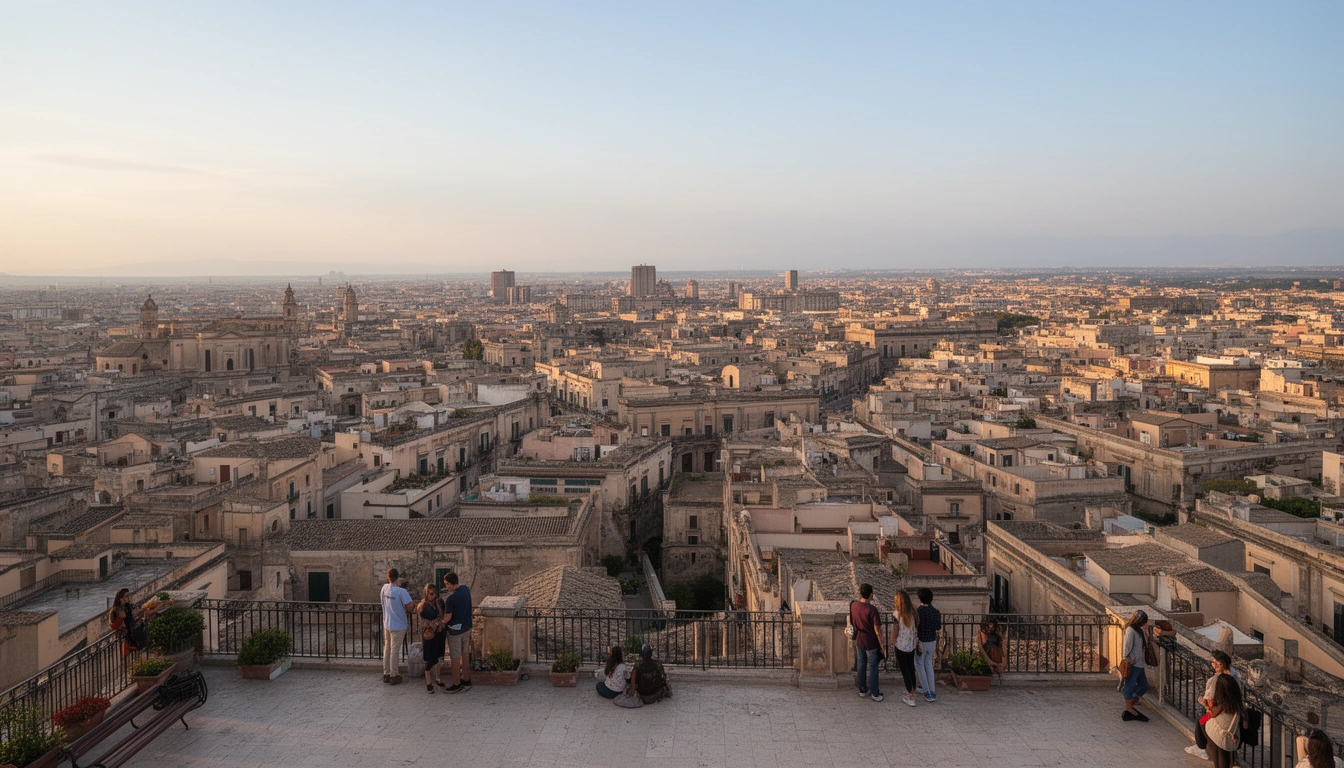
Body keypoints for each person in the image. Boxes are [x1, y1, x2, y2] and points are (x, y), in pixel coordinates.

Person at [1186, 650, 1239, 760]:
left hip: (1219, 710)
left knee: (1201, 721)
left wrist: (1205, 703)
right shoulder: (1235, 676)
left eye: (1215, 662)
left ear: (1222, 663)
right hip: (1232, 710)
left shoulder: (1219, 679)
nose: (1213, 665)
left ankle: (1201, 747)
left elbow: (1212, 700)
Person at [849, 583, 884, 702]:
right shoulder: (872, 609)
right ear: (871, 595)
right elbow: (877, 630)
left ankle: (862, 689)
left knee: (861, 665)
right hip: (871, 641)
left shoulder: (854, 605)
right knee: (873, 667)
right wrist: (882, 646)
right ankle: (875, 692)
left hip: (859, 639)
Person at [380, 568, 413, 685]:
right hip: (398, 625)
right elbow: (410, 606)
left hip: (387, 623)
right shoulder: (401, 591)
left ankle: (386, 673)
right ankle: (394, 675)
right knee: (394, 650)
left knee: (387, 648)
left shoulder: (384, 588)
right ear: (397, 577)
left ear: (388, 577)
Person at [442, 571, 473, 692]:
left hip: (455, 632)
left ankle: (456, 683)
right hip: (467, 628)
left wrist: (440, 622)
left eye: (447, 584)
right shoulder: (465, 589)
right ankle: (466, 679)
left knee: (455, 657)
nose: (446, 587)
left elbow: (448, 617)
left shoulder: (451, 599)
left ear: (450, 583)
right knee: (465, 655)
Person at [1204, 673, 1243, 768]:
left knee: (1201, 721)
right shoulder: (1236, 702)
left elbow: (1212, 714)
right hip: (1231, 731)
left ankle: (1199, 744)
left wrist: (1206, 705)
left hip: (1218, 731)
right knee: (1224, 757)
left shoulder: (1222, 702)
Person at [1119, 609, 1152, 721]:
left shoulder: (1140, 630)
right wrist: (1128, 660)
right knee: (1129, 685)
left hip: (1140, 663)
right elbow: (1126, 649)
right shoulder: (1131, 631)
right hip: (1133, 664)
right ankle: (1129, 707)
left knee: (1144, 686)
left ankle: (1132, 699)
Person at [889, 590, 919, 707]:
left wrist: (892, 642)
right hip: (911, 645)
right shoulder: (913, 613)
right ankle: (912, 689)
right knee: (911, 667)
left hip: (901, 645)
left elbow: (896, 630)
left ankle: (910, 695)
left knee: (904, 669)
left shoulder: (897, 614)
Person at [416, 584, 447, 693]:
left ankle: (438, 678)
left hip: (439, 634)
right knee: (429, 658)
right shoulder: (422, 606)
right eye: (430, 593)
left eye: (434, 593)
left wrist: (439, 624)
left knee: (437, 656)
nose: (432, 596)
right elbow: (423, 622)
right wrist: (436, 624)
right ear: (426, 593)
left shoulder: (438, 603)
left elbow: (442, 617)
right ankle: (428, 682)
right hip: (429, 634)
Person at [914, 587, 941, 702]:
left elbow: (915, 627)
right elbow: (938, 627)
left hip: (921, 642)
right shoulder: (936, 612)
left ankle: (927, 692)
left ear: (920, 598)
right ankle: (932, 690)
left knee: (920, 665)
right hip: (932, 641)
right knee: (929, 665)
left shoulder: (918, 612)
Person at [108, 588, 146, 657]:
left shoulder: (129, 606)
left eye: (129, 595)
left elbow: (136, 616)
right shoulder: (115, 610)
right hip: (126, 637)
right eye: (127, 596)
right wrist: (121, 618)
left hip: (134, 633)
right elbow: (114, 626)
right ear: (121, 599)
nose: (129, 597)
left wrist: (139, 614)